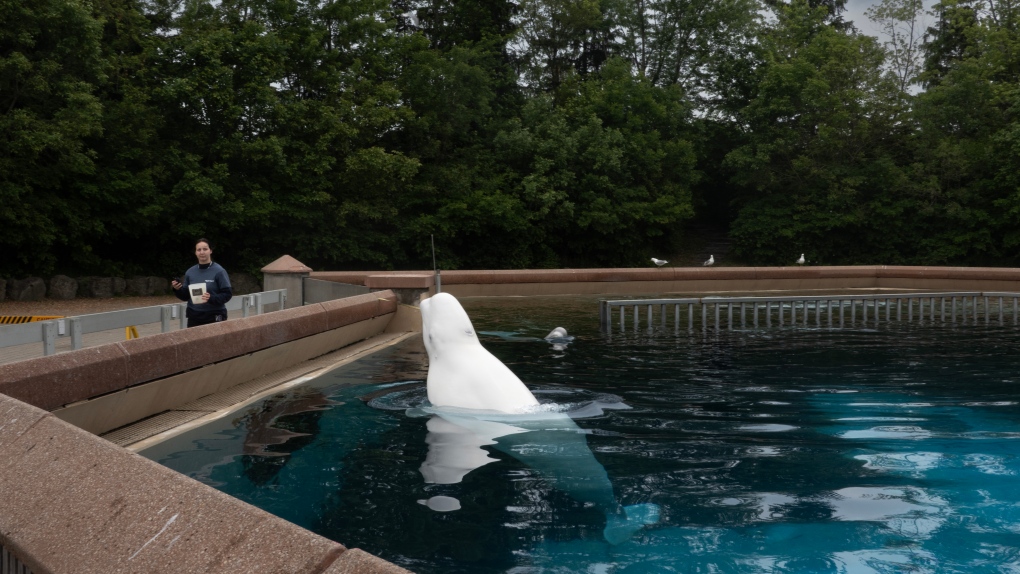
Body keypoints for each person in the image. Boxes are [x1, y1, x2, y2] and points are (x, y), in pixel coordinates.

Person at [171, 238, 232, 328]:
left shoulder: (219, 271)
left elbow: (227, 294)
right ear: (195, 252)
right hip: (194, 316)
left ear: (210, 251)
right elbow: (186, 296)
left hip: (214, 316)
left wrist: (211, 298)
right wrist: (177, 289)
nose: (202, 252)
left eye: (205, 249)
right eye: (199, 250)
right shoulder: (190, 272)